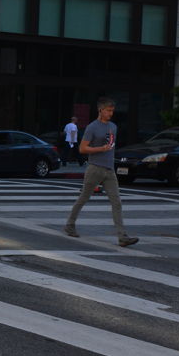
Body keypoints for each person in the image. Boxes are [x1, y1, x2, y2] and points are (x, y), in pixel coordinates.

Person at [64, 97, 139, 247]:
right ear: (101, 110)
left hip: (109, 170)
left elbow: (111, 147)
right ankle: (69, 225)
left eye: (112, 111)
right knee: (84, 197)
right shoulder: (92, 127)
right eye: (108, 110)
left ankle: (122, 237)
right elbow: (82, 149)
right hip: (95, 168)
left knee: (117, 202)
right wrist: (100, 149)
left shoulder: (113, 127)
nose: (111, 113)